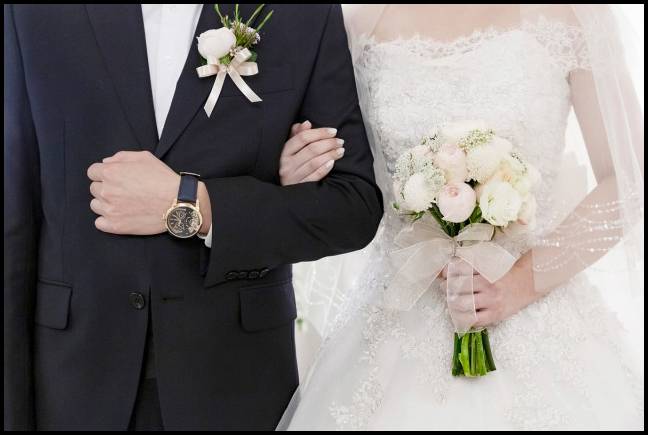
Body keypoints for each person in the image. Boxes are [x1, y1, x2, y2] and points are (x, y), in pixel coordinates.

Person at [4, 4, 382, 430]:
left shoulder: (300, 13)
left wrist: (197, 205)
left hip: (236, 381)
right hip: (73, 378)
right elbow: (14, 218)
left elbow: (353, 207)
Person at [277, 4, 644, 430]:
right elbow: (345, 178)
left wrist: (521, 283)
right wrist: (296, 170)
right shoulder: (359, 23)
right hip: (400, 311)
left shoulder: (571, 15)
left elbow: (630, 179)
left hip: (540, 311)